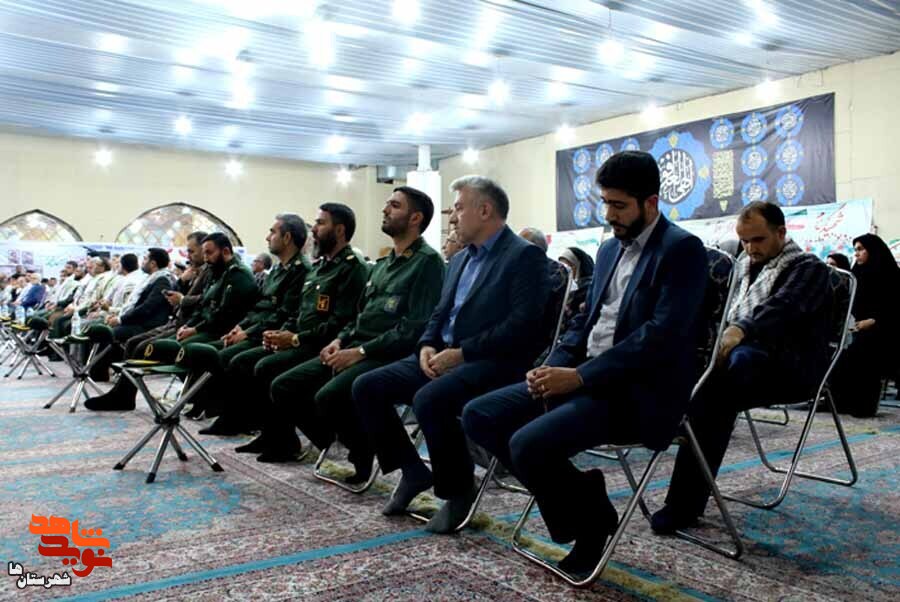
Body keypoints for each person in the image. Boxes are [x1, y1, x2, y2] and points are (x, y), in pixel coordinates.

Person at [462, 151, 708, 577]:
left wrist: (578, 377)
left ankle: (590, 526)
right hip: (585, 377)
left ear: (651, 203)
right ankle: (588, 498)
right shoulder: (610, 249)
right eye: (606, 203)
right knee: (479, 415)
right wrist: (552, 367)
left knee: (528, 444)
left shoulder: (682, 250)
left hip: (638, 391)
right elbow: (584, 322)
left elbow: (660, 337)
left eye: (619, 206)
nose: (609, 215)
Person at [352, 175, 550, 533]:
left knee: (430, 399)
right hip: (444, 355)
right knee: (367, 386)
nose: (453, 217)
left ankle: (458, 492)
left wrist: (461, 353)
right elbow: (438, 314)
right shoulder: (459, 260)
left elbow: (522, 327)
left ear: (484, 210)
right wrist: (427, 345)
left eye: (458, 208)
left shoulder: (523, 256)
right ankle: (412, 471)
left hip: (493, 361)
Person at [651, 201, 831, 536]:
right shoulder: (744, 269)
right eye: (744, 241)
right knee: (692, 373)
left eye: (758, 240)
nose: (750, 248)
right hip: (745, 362)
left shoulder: (810, 269)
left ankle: (682, 506)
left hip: (792, 368)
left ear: (781, 233)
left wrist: (741, 329)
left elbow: (784, 308)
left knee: (713, 398)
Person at [249, 187, 445, 468]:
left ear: (415, 218)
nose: (385, 209)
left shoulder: (427, 262)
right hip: (355, 346)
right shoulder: (383, 264)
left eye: (394, 205)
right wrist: (339, 341)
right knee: (285, 385)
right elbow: (358, 315)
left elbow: (413, 328)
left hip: (387, 353)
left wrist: (360, 352)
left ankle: (367, 455)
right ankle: (341, 443)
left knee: (329, 396)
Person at [199, 203, 368, 438]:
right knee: (236, 358)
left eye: (320, 223)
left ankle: (291, 438)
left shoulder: (351, 268)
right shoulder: (319, 268)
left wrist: (294, 338)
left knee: (257, 365)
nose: (313, 230)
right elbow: (297, 313)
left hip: (321, 344)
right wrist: (280, 334)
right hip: (299, 338)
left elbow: (342, 320)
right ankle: (265, 432)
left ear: (339, 230)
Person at [181, 214, 311, 419]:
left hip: (272, 333)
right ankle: (217, 407)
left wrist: (248, 333)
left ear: (287, 238)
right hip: (256, 329)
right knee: (207, 352)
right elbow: (259, 307)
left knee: (228, 358)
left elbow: (283, 314)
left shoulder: (301, 271)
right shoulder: (277, 269)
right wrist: (240, 328)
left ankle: (235, 415)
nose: (267, 237)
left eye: (272, 232)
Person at [82, 233, 212, 410]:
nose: (188, 256)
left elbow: (151, 307)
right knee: (131, 342)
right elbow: (176, 299)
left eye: (191, 251)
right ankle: (122, 394)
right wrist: (182, 281)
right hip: (177, 323)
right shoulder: (187, 273)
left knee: (137, 344)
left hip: (165, 324)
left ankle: (120, 392)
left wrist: (120, 318)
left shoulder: (168, 278)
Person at [82, 248, 178, 396]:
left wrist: (120, 319)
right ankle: (98, 372)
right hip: (138, 322)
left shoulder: (162, 280)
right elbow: (135, 306)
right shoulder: (151, 279)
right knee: (101, 330)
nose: (142, 262)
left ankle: (99, 374)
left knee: (108, 334)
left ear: (153, 263)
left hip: (147, 325)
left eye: (145, 259)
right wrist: (118, 315)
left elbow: (147, 308)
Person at [830, 233, 900, 416]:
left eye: (861, 249)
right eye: (855, 250)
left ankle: (863, 405)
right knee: (839, 348)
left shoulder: (891, 276)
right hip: (854, 327)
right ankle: (838, 402)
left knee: (864, 349)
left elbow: (894, 308)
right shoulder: (856, 276)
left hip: (882, 330)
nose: (857, 254)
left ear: (873, 250)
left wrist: (873, 321)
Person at [174, 232, 257, 344]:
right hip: (205, 326)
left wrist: (195, 329)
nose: (206, 259)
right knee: (160, 344)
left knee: (179, 347)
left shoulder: (238, 274)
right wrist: (188, 325)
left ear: (225, 251)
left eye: (209, 253)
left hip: (221, 330)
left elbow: (223, 315)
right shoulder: (216, 271)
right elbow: (203, 306)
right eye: (204, 254)